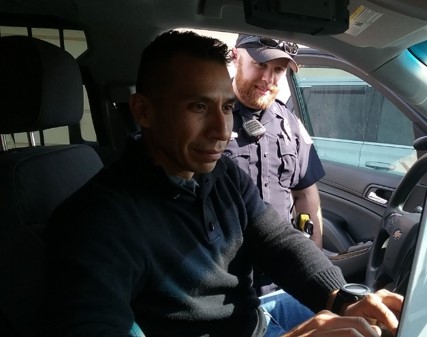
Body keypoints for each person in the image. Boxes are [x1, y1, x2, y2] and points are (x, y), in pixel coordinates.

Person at [44, 30, 403, 337]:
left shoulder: (220, 175)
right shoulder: (93, 223)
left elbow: (280, 242)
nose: (221, 131)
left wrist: (343, 298)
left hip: (254, 320)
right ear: (143, 111)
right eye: (199, 107)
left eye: (227, 108)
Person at [225, 34, 325, 249]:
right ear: (235, 57)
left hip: (279, 265)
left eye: (278, 70)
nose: (268, 79)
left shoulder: (290, 123)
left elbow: (305, 194)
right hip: (224, 267)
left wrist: (314, 258)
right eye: (260, 64)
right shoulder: (209, 116)